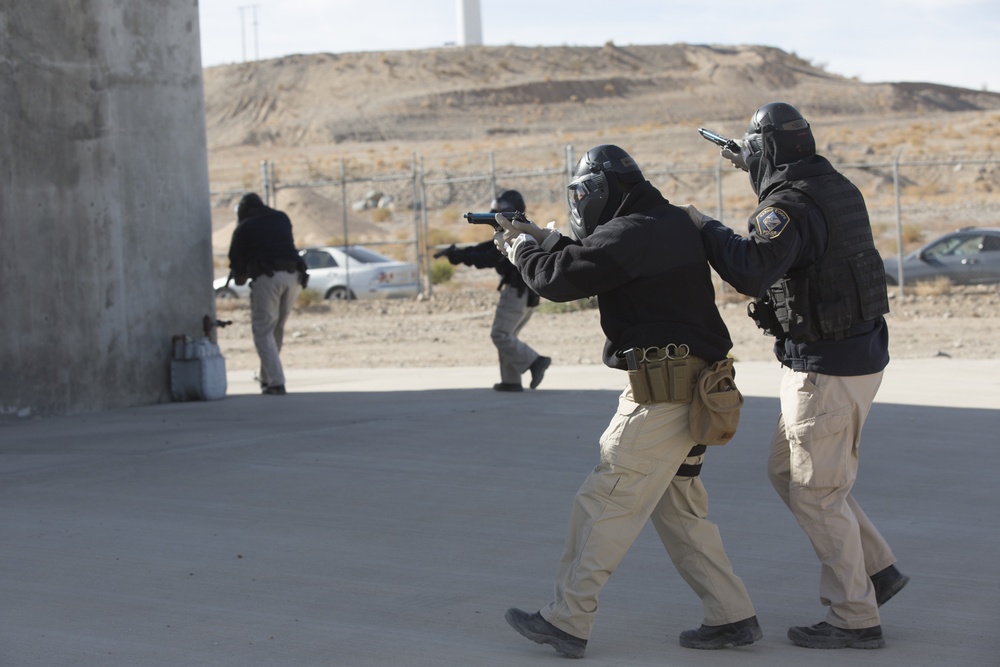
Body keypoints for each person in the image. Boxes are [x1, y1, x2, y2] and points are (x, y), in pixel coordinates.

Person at [494, 145, 761, 658]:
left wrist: (520, 251)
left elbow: (559, 278)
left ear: (599, 193)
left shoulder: (631, 232)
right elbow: (590, 259)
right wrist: (544, 238)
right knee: (679, 509)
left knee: (606, 501)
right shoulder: (666, 223)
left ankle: (567, 619)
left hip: (662, 394)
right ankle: (732, 614)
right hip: (701, 389)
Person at [685, 102, 909, 649]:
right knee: (791, 474)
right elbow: (796, 215)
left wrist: (704, 226)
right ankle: (876, 569)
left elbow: (750, 268)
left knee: (816, 493)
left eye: (754, 154)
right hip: (855, 356)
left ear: (770, 155)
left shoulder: (785, 206)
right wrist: (754, 165)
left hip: (824, 368)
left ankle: (855, 617)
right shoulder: (834, 186)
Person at [435, 189, 551, 392]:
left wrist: (461, 256)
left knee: (500, 335)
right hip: (525, 292)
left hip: (517, 292)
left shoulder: (514, 235)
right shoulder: (521, 230)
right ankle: (511, 381)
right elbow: (486, 249)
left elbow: (487, 257)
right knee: (507, 335)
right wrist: (460, 253)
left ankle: (535, 361)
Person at [226, 192, 308, 395]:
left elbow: (237, 266)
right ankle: (267, 378)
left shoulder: (244, 227)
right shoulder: (280, 217)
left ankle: (276, 381)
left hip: (268, 277)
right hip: (294, 276)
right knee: (276, 329)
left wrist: (239, 275)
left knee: (263, 332)